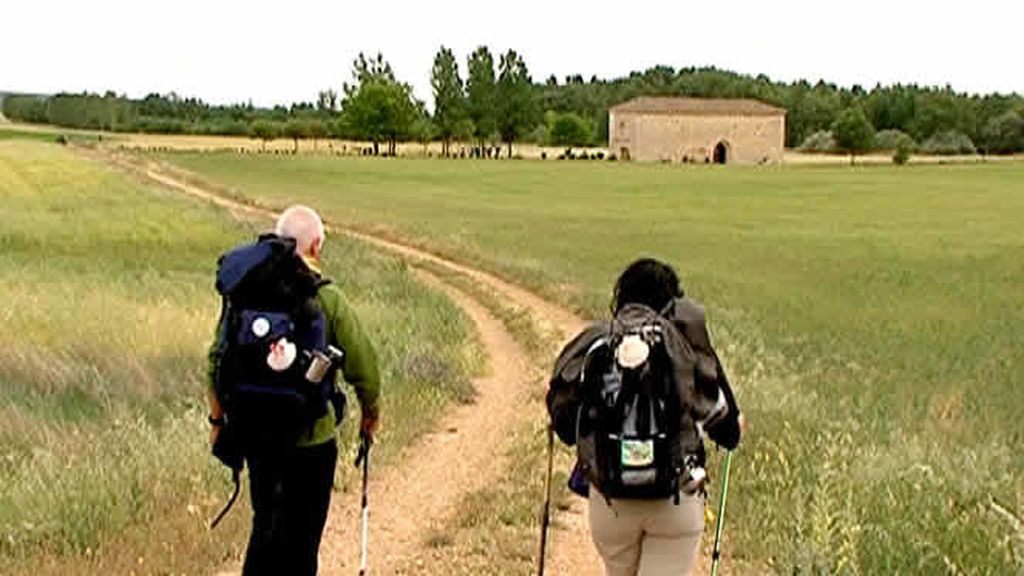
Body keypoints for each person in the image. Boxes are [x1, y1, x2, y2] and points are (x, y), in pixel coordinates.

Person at [206, 205, 381, 576]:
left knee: (265, 526)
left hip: (257, 436)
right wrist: (370, 414)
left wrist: (217, 423)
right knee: (302, 540)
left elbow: (214, 361)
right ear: (315, 246)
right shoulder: (326, 296)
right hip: (312, 439)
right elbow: (364, 366)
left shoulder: (248, 290)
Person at [547, 257, 742, 576]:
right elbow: (728, 430)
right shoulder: (684, 346)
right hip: (676, 501)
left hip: (610, 504)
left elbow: (566, 426)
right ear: (674, 303)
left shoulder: (598, 342)